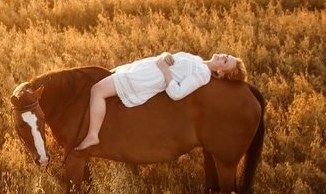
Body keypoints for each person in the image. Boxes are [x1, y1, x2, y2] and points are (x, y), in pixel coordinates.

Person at [75, 52, 247, 150]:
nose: (224, 56)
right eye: (227, 55)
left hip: (145, 79)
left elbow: (177, 93)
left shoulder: (203, 74)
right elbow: (172, 59)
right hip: (141, 69)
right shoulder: (197, 60)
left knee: (97, 90)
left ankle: (93, 135)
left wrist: (164, 68)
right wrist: (165, 56)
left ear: (220, 73)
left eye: (226, 61)